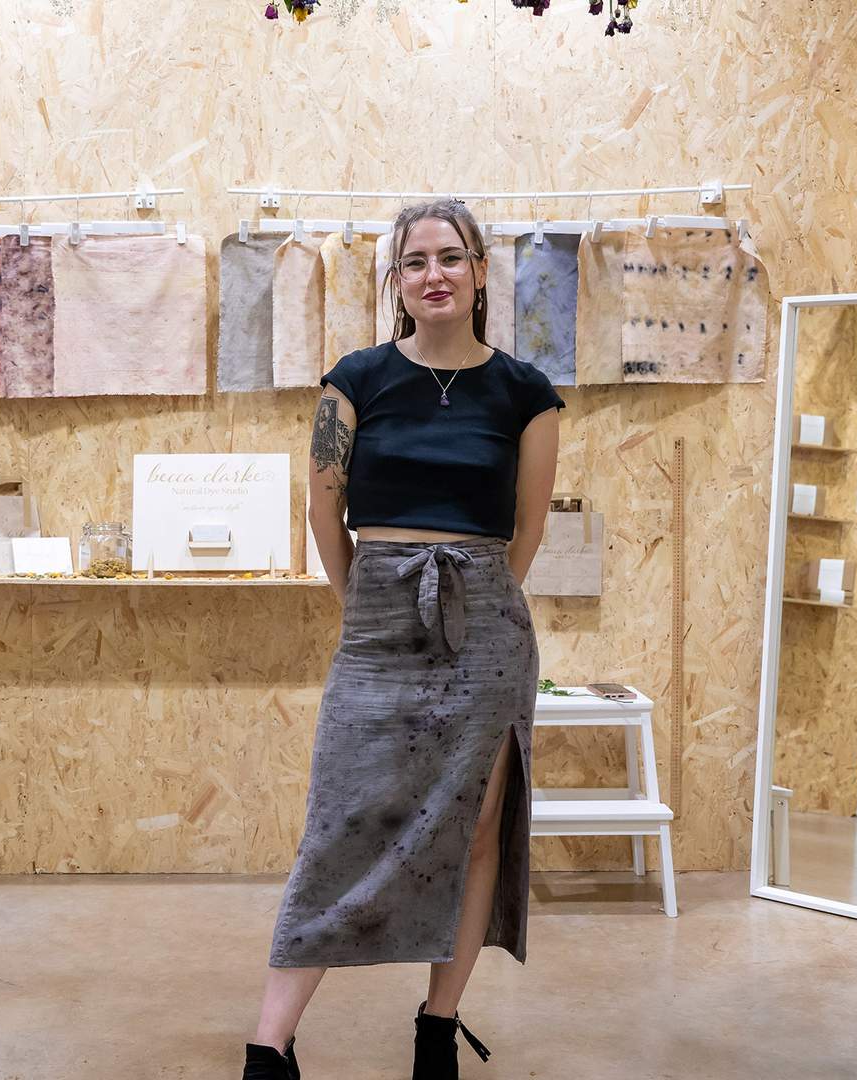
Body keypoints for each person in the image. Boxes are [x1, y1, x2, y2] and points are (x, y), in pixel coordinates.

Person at [242, 199, 564, 1080]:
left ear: (480, 273)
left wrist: (482, 605)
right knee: (340, 823)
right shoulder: (354, 378)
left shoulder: (527, 393)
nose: (434, 273)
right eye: (415, 260)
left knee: (476, 826)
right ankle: (269, 1046)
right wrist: (365, 603)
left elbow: (526, 530)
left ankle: (437, 1027)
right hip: (379, 619)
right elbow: (322, 505)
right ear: (396, 280)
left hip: (485, 633)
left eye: (451, 258)